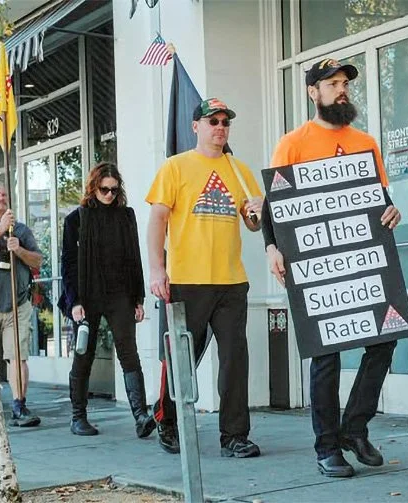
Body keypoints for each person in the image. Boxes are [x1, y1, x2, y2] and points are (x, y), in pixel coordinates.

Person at [262, 58, 401, 478]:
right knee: (327, 355)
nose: (341, 89)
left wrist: (391, 210)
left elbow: (379, 197)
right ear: (313, 92)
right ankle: (327, 446)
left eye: (344, 83)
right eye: (332, 83)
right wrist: (271, 247)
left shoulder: (366, 141)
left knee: (384, 339)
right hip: (313, 261)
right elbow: (274, 205)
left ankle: (354, 428)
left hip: (362, 257)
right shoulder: (294, 142)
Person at [147, 98, 263, 458]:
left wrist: (259, 213)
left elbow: (253, 224)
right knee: (182, 357)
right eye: (213, 121)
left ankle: (234, 435)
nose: (221, 127)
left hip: (230, 281)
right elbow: (158, 221)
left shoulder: (240, 170)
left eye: (226, 122)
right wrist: (156, 268)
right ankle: (167, 420)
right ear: (196, 125)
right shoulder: (176, 167)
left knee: (234, 358)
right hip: (187, 280)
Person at [59, 163, 155, 438]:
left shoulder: (126, 216)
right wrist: (74, 301)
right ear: (93, 187)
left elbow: (133, 258)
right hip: (87, 296)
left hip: (120, 293)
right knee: (83, 354)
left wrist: (138, 298)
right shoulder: (76, 220)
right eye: (104, 189)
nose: (110, 195)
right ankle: (78, 417)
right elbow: (68, 264)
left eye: (114, 190)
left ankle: (140, 415)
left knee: (129, 353)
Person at [0, 182, 42, 427]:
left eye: (4, 194)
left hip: (16, 304)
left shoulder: (20, 229)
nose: (1, 198)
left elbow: (37, 261)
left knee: (18, 356)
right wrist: (0, 229)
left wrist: (19, 250)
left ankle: (19, 405)